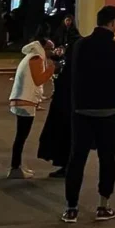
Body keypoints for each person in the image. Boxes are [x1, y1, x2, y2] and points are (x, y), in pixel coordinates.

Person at [62, 5, 115, 224]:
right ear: (112, 23)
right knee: (107, 158)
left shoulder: (80, 46)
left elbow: (71, 74)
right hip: (109, 111)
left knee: (77, 158)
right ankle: (103, 205)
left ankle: (71, 208)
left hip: (81, 110)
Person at [7, 36, 56, 178]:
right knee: (21, 137)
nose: (51, 52)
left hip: (22, 100)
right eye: (50, 49)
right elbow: (39, 79)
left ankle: (17, 167)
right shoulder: (36, 58)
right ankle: (15, 168)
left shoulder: (31, 56)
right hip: (25, 101)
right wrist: (51, 69)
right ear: (42, 48)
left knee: (20, 137)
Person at [38, 45, 74, 177]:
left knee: (63, 137)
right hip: (68, 109)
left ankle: (66, 167)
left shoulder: (67, 70)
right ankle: (67, 166)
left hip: (63, 110)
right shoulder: (72, 68)